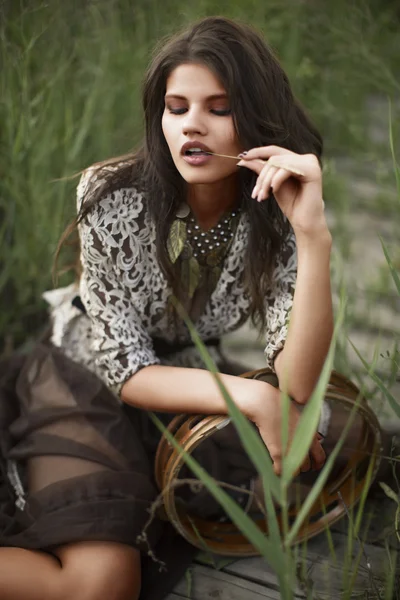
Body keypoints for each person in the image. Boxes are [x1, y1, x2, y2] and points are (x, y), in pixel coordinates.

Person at [0, 15, 333, 600]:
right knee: (101, 584)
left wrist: (314, 238)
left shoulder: (278, 209)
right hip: (85, 377)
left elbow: (299, 381)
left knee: (316, 464)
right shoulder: (110, 194)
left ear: (257, 116)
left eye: (219, 108)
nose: (191, 127)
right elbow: (124, 367)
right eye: (176, 108)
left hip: (186, 381)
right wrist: (254, 394)